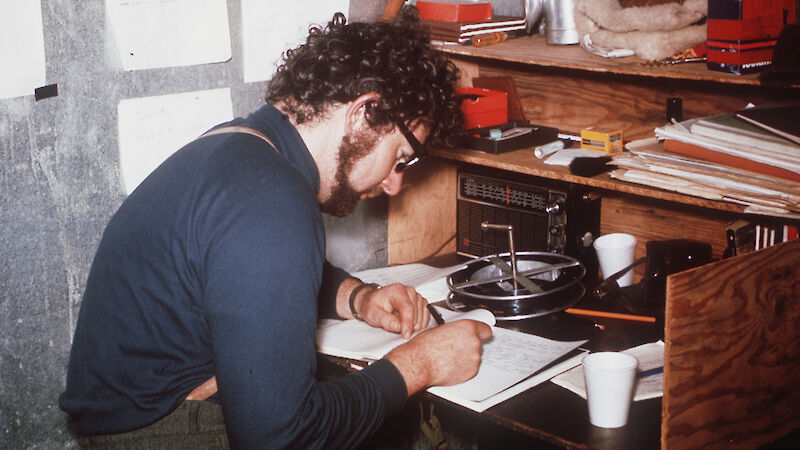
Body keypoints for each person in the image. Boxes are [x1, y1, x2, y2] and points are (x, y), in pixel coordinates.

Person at [59, 9, 492, 449]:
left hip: (128, 410)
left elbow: (241, 272)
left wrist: (358, 298)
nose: (394, 184)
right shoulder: (272, 203)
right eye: (400, 158)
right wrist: (419, 365)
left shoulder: (243, 147)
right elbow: (280, 440)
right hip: (153, 429)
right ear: (364, 114)